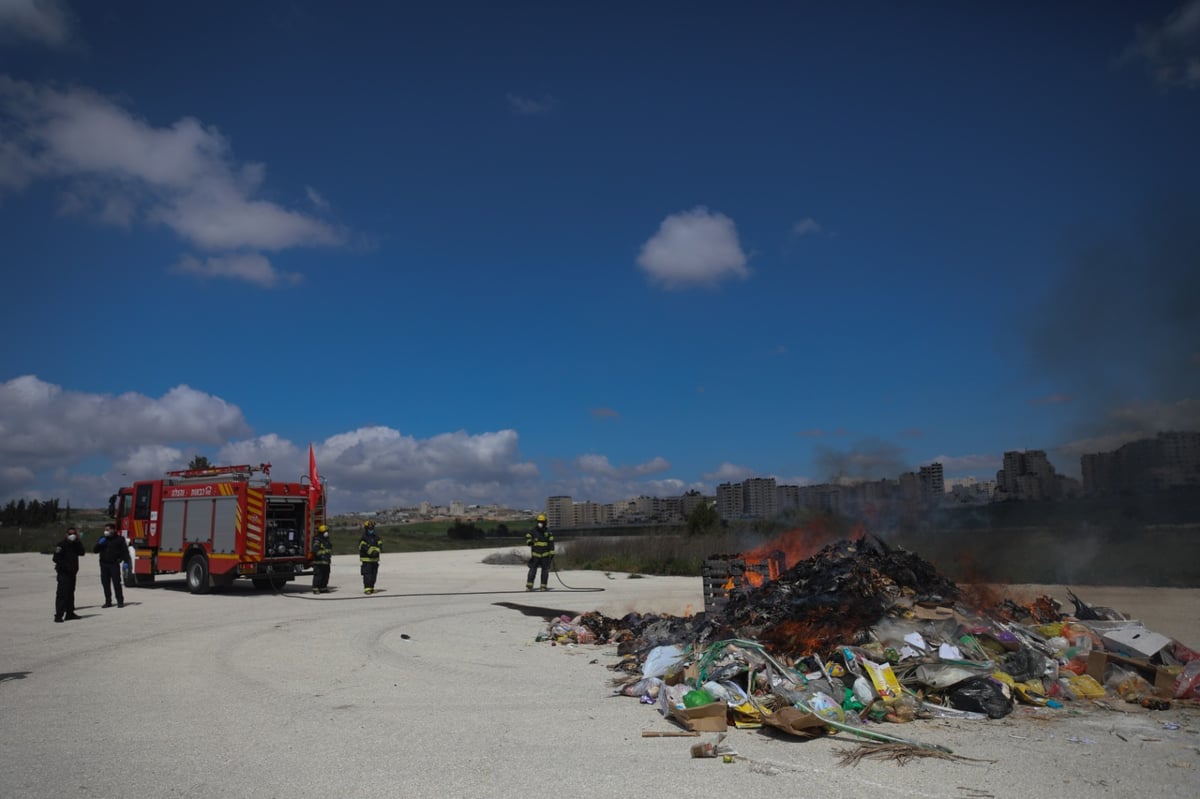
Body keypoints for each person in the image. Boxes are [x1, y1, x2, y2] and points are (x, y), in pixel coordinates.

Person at [93, 523, 132, 608]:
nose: (106, 531)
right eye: (105, 530)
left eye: (108, 529)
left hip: (114, 564)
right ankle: (108, 601)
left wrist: (126, 562)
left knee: (116, 583)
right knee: (105, 583)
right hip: (104, 564)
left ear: (113, 530)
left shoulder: (120, 539)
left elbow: (125, 551)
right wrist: (99, 544)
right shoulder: (103, 539)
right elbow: (95, 550)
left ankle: (120, 601)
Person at [52, 526, 86, 622]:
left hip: (72, 573)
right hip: (64, 573)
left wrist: (78, 542)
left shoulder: (75, 545)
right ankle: (58, 615)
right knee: (62, 594)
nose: (72, 536)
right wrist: (65, 566)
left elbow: (82, 552)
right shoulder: (61, 545)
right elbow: (56, 558)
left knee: (70, 593)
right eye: (70, 534)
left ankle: (70, 613)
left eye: (74, 534)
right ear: (66, 534)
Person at [525, 513, 555, 591]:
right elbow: (528, 536)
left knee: (545, 571)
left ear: (545, 522)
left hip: (545, 555)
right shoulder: (533, 530)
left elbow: (551, 543)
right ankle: (529, 586)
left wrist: (552, 553)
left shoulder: (548, 532)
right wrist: (529, 542)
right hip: (535, 555)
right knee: (532, 570)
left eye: (541, 522)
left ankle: (543, 586)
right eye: (539, 521)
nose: (540, 523)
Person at [358, 520, 381, 594]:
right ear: (366, 528)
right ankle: (367, 589)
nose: (371, 530)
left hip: (375, 559)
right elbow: (362, 547)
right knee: (367, 575)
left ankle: (371, 588)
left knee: (374, 575)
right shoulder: (363, 538)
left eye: (372, 528)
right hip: (367, 560)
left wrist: (377, 551)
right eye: (369, 528)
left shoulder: (376, 537)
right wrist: (371, 551)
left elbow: (380, 545)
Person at [312, 524, 333, 594]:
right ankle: (315, 588)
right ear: (321, 532)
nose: (326, 533)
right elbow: (315, 550)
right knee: (318, 575)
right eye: (325, 531)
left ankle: (323, 588)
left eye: (327, 531)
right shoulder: (317, 540)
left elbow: (329, 549)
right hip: (319, 562)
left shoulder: (326, 540)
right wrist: (322, 554)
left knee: (326, 575)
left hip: (326, 562)